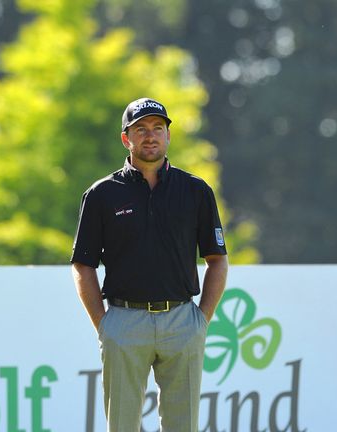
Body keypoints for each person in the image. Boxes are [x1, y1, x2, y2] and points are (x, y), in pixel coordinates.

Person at [70, 97, 229, 431]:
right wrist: (104, 326)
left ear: (168, 136)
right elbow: (83, 265)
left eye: (158, 128)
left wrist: (201, 320)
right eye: (140, 129)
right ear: (126, 138)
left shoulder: (196, 191)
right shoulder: (101, 194)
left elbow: (217, 260)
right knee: (123, 427)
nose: (150, 136)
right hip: (124, 322)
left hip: (182, 321)